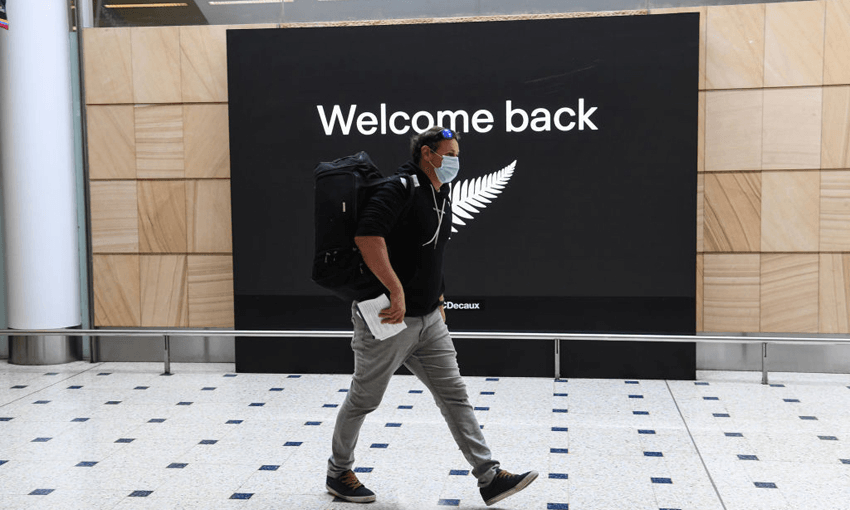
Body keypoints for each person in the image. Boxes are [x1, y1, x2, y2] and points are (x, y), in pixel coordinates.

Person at [325, 126, 538, 506]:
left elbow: (432, 252)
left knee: (455, 396)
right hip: (390, 318)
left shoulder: (441, 193)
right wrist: (396, 289)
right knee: (364, 399)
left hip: (428, 321)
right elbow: (367, 238)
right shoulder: (398, 188)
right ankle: (338, 472)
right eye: (450, 153)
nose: (456, 160)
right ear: (428, 153)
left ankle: (489, 476)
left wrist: (438, 297)